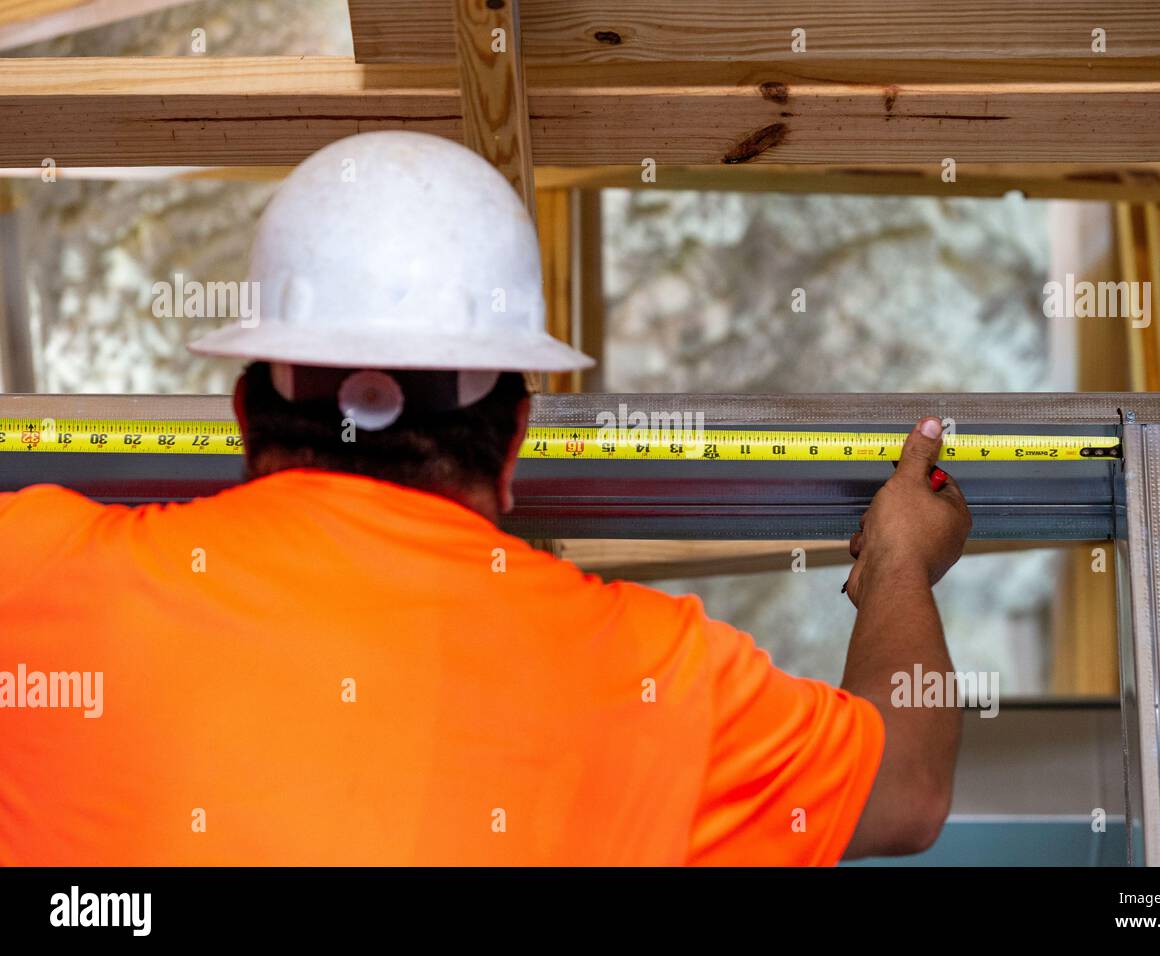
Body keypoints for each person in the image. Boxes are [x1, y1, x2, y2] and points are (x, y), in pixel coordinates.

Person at [0, 132, 970, 866]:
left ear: (248, 412)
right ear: (512, 440)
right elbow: (907, 789)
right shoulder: (656, 675)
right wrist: (900, 558)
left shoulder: (30, 573)